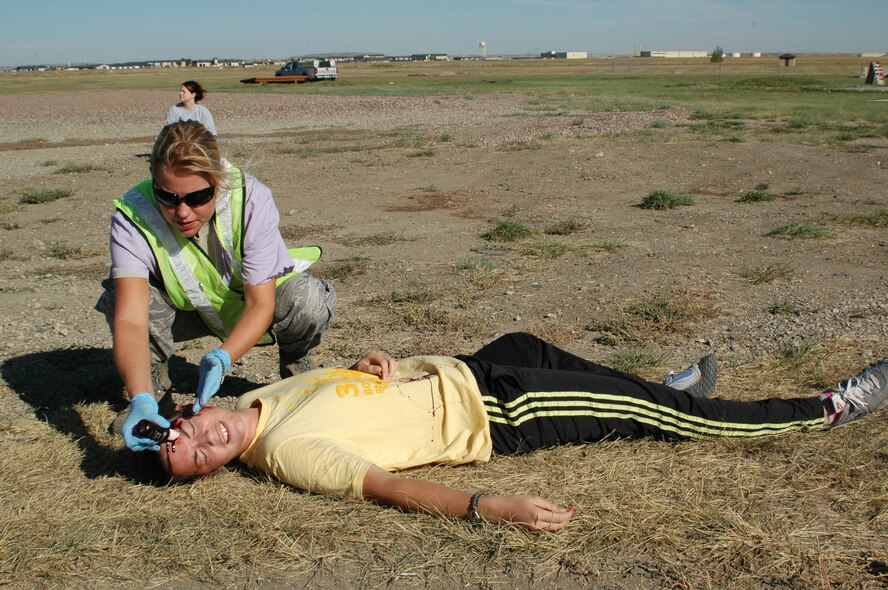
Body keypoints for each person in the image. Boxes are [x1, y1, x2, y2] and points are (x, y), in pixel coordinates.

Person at [156, 332, 887, 532]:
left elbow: (344, 390)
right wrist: (487, 506)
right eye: (197, 466)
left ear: (194, 413)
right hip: (498, 413)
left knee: (528, 340)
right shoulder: (284, 451)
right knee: (663, 419)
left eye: (187, 440)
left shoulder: (270, 402)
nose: (203, 449)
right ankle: (828, 407)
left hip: (470, 367)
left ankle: (650, 392)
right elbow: (384, 485)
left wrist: (370, 363)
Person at [96, 120, 337, 452]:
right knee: (119, 299)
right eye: (167, 197)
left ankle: (296, 362)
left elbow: (259, 305)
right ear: (153, 182)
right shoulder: (133, 214)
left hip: (250, 305)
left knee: (307, 300)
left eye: (198, 197)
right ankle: (155, 398)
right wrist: (139, 397)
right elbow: (131, 320)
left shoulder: (250, 199)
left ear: (217, 182)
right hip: (189, 311)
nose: (182, 212)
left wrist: (224, 357)